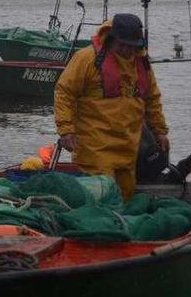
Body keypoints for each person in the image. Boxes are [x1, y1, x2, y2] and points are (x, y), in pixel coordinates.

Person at [54, 13, 169, 200]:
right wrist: (66, 130)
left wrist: (160, 131)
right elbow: (64, 92)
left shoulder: (142, 63)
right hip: (95, 147)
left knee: (126, 195)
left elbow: (152, 99)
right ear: (111, 39)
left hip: (129, 147)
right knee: (102, 196)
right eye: (122, 44)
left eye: (131, 46)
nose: (126, 50)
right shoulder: (86, 58)